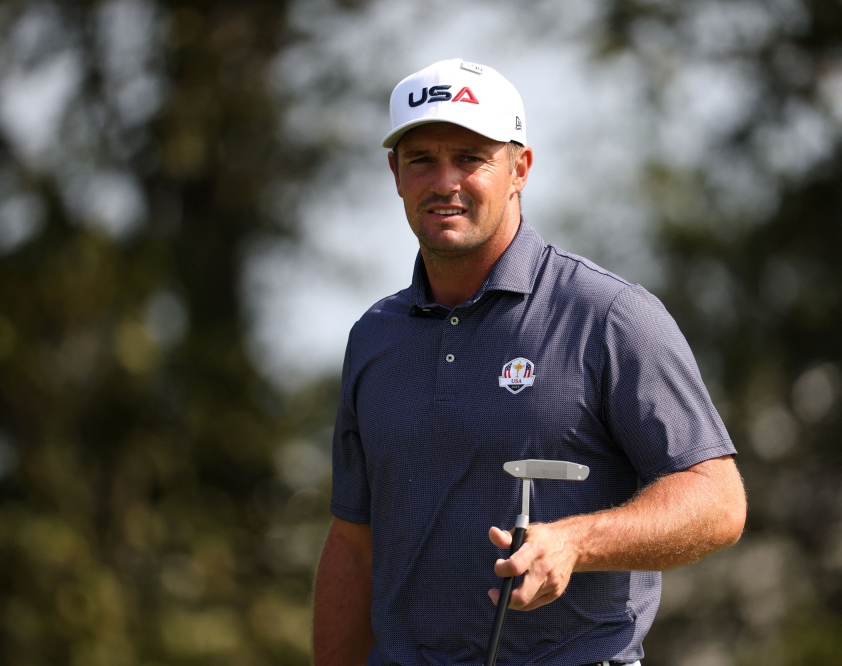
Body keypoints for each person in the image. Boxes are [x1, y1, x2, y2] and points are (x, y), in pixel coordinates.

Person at [312, 59, 747, 666]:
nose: (445, 181)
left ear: (520, 169)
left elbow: (718, 500)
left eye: (471, 159)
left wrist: (576, 542)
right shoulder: (374, 338)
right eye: (422, 160)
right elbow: (354, 543)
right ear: (395, 173)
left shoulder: (610, 314)